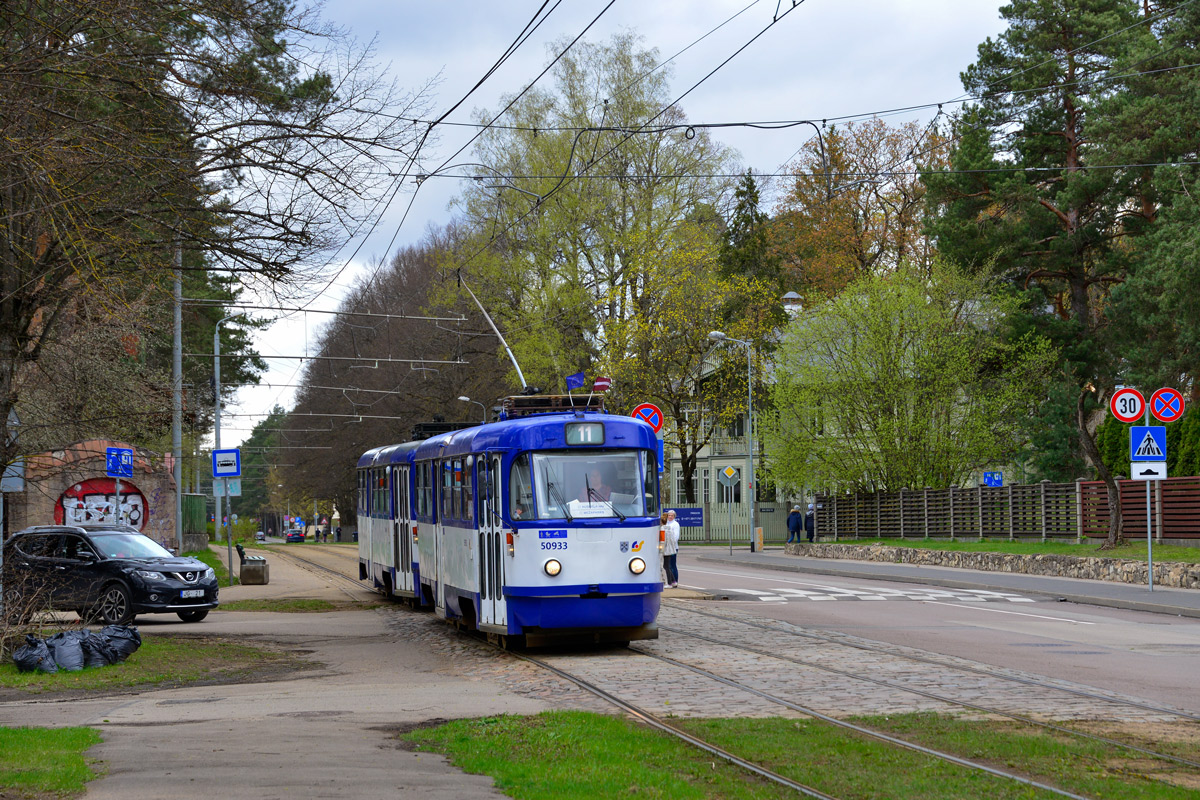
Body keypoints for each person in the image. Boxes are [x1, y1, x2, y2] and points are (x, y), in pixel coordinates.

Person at [663, 510, 681, 588]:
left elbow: (676, 537)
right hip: (666, 548)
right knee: (667, 565)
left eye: (671, 515)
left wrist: (671, 544)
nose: (670, 517)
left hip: (673, 548)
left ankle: (675, 581)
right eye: (669, 515)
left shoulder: (675, 524)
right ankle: (672, 581)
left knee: (672, 565)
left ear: (674, 516)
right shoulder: (666, 524)